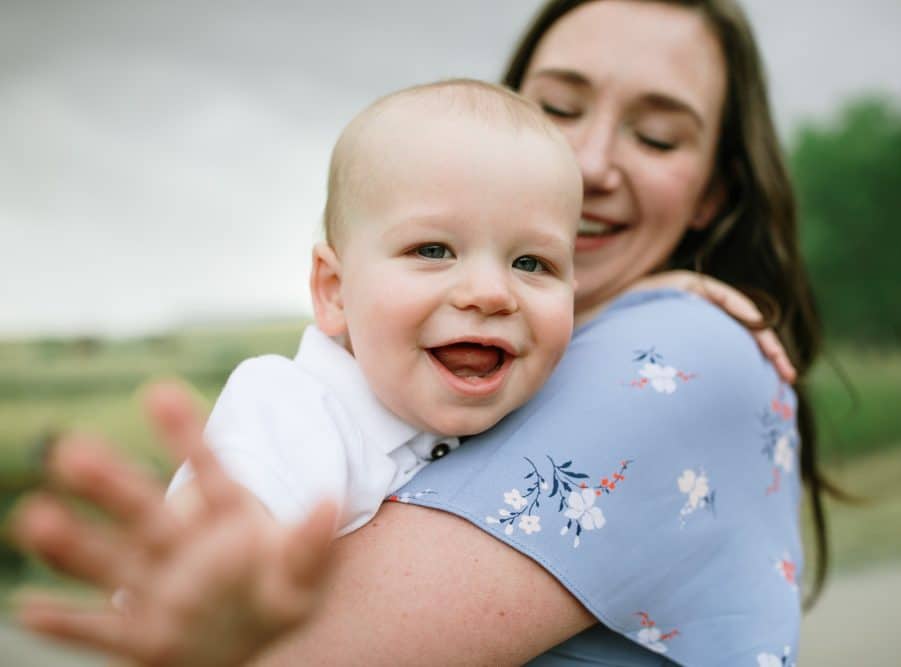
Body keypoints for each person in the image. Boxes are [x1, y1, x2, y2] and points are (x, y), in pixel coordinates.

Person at [14, 1, 833, 665]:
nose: (588, 164)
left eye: (657, 135)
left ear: (714, 194)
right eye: (555, 109)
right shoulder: (301, 407)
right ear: (333, 288)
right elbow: (222, 606)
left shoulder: (684, 347)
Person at [166, 78, 583, 536]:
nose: (490, 293)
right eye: (432, 250)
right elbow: (229, 515)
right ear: (335, 291)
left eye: (531, 262)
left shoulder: (541, 407)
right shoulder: (292, 408)